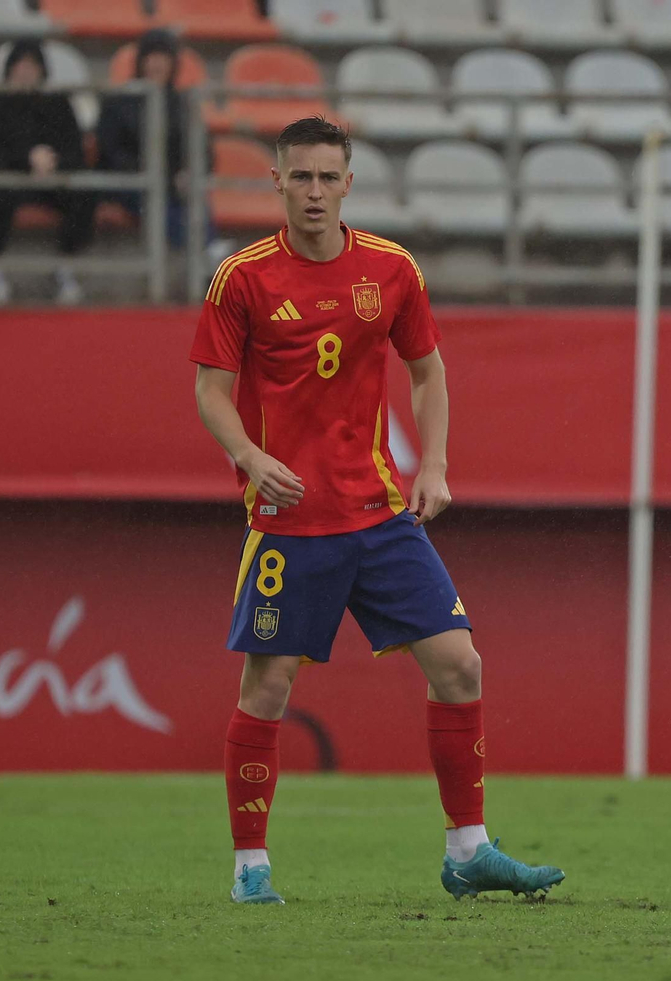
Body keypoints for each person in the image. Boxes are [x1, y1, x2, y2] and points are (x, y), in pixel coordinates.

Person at [190, 116, 566, 905]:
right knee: (268, 690)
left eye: (329, 178)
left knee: (460, 664)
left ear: (349, 183)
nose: (316, 192)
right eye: (301, 178)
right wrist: (252, 459)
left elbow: (428, 374)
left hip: (379, 514)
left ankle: (469, 850)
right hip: (289, 522)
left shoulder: (391, 270)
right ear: (279, 184)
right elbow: (210, 393)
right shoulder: (243, 279)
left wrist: (433, 464)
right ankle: (249, 868)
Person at [0, 40, 93, 305]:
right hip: (4, 179)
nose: (25, 71)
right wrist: (25, 160)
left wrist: (53, 162)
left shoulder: (58, 105)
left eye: (32, 65)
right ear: (8, 69)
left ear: (42, 70)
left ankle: (65, 265)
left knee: (84, 194)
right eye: (20, 65)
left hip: (48, 181)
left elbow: (75, 150)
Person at [96, 29, 215, 251]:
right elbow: (111, 153)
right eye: (151, 57)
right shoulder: (118, 102)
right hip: (132, 184)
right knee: (156, 200)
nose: (157, 64)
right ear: (141, 61)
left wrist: (190, 172)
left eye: (163, 57)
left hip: (174, 185)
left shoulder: (183, 104)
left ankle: (209, 253)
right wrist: (161, 176)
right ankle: (207, 254)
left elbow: (204, 151)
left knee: (196, 196)